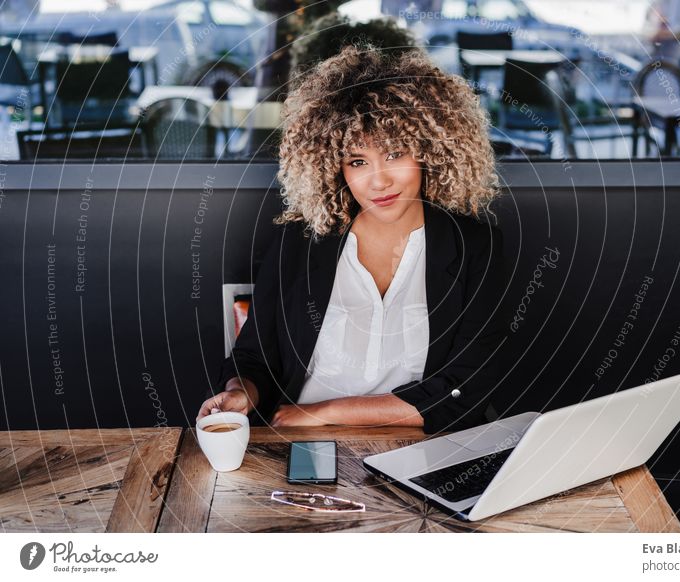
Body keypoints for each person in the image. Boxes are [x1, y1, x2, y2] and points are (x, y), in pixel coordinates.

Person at [197, 44, 506, 434]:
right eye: (357, 161)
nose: (379, 180)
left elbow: (464, 389)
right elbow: (254, 358)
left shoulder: (476, 247)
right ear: (332, 167)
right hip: (303, 442)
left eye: (395, 153)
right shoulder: (301, 242)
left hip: (416, 446)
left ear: (431, 152)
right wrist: (242, 392)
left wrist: (329, 410)